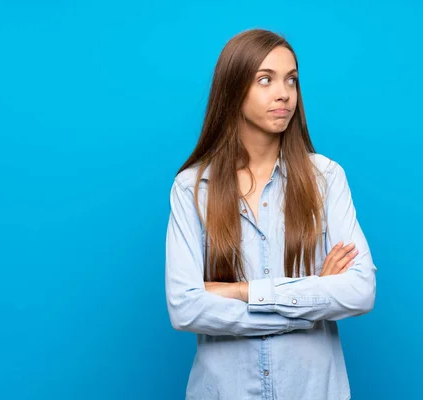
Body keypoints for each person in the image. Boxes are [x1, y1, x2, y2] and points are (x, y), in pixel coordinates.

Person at [165, 28, 377, 400]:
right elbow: (185, 308)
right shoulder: (192, 187)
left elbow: (360, 291)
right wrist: (311, 303)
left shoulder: (325, 178)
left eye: (291, 80)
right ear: (233, 90)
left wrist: (243, 291)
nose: (283, 93)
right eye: (265, 80)